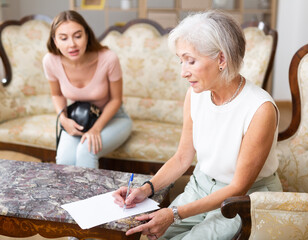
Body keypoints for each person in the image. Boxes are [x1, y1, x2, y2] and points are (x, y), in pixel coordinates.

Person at [113, 10, 282, 240]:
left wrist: (173, 213)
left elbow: (238, 188)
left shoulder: (260, 109)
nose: (183, 72)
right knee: (156, 236)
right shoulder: (196, 94)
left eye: (190, 61)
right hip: (200, 185)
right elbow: (183, 157)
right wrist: (146, 189)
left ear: (221, 59)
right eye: (181, 61)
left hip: (242, 199)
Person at [43, 10, 132, 169]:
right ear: (55, 41)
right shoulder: (50, 60)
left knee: (86, 150)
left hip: (114, 119)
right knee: (64, 159)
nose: (72, 44)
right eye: (64, 38)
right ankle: (66, 195)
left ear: (87, 35)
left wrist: (96, 128)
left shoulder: (108, 58)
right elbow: (56, 94)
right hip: (78, 119)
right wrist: (64, 120)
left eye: (77, 36)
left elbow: (116, 99)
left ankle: (91, 195)